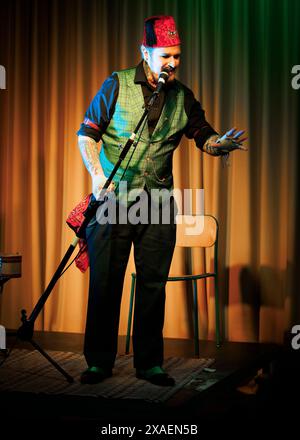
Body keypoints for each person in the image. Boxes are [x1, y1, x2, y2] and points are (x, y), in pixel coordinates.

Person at [77, 15, 246, 386]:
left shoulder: (182, 96)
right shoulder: (116, 84)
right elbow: (87, 134)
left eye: (177, 56)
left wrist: (219, 145)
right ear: (145, 52)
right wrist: (97, 175)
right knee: (106, 283)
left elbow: (203, 134)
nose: (172, 62)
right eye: (166, 55)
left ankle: (149, 363)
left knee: (153, 284)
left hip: (157, 203)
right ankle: (99, 362)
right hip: (115, 198)